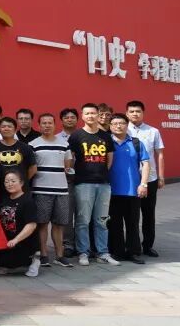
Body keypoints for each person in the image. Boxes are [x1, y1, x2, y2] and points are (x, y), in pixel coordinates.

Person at [68, 103, 120, 267]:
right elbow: (70, 159)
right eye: (87, 113)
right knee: (83, 220)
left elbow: (109, 160)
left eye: (93, 113)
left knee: (102, 221)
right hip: (83, 184)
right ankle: (83, 252)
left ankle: (102, 253)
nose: (90, 116)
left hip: (103, 184)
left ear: (98, 115)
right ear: (82, 116)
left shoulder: (106, 136)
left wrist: (100, 173)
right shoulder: (76, 136)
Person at [29, 113, 73, 268]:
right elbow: (31, 167)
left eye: (50, 123)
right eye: (44, 123)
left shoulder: (64, 144)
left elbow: (68, 165)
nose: (47, 125)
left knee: (59, 224)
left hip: (61, 190)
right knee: (42, 224)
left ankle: (60, 255)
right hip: (41, 190)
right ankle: (44, 255)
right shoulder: (33, 144)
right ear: (39, 125)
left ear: (55, 125)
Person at [107, 113, 150, 264]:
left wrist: (143, 184)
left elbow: (146, 164)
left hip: (133, 191)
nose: (118, 126)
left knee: (132, 223)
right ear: (110, 126)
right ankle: (117, 252)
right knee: (114, 224)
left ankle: (133, 252)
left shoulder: (136, 143)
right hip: (111, 191)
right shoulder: (106, 143)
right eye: (115, 124)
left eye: (122, 123)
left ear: (127, 125)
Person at [127, 100, 164, 257]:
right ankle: (133, 246)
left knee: (148, 214)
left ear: (143, 113)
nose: (135, 114)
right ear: (127, 113)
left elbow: (160, 154)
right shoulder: (121, 129)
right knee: (131, 215)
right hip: (130, 180)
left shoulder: (153, 131)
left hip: (150, 179)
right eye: (132, 111)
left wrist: (161, 176)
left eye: (138, 111)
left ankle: (148, 246)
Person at [0, 171, 41, 277]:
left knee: (18, 260)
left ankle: (34, 259)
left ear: (21, 183)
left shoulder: (28, 201)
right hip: (9, 240)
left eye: (13, 181)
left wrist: (16, 240)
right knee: (5, 263)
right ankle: (14, 264)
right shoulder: (4, 200)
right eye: (6, 182)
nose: (9, 184)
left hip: (23, 240)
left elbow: (32, 225)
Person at [58, 107, 80, 258]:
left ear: (77, 119)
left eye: (73, 117)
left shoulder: (83, 135)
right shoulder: (57, 138)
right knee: (67, 213)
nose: (70, 119)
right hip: (65, 180)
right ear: (62, 120)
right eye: (66, 117)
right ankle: (68, 244)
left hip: (85, 178)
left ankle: (82, 244)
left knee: (82, 214)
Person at [0, 117, 37, 186]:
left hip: (21, 188)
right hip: (0, 188)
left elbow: (33, 168)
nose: (6, 129)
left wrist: (23, 182)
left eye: (9, 126)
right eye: (3, 127)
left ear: (15, 130)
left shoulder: (25, 147)